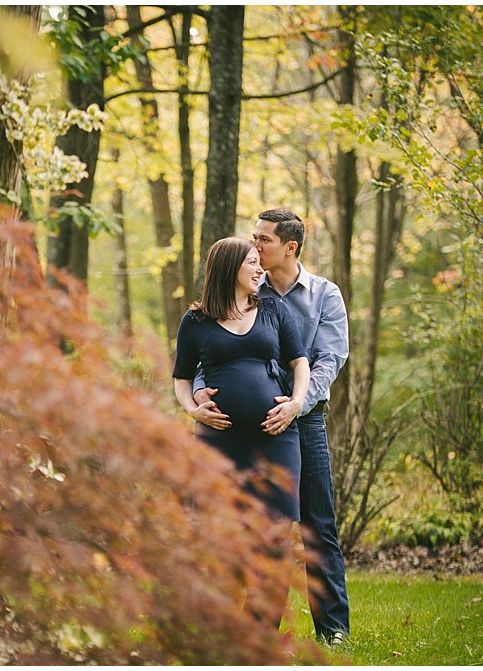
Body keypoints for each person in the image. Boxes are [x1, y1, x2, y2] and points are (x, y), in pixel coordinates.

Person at [194, 209, 351, 644]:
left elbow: (329, 359)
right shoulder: (243, 290)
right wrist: (200, 395)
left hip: (304, 422)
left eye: (263, 240)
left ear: (290, 248)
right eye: (254, 238)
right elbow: (213, 350)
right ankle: (251, 626)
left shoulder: (323, 295)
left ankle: (333, 629)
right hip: (242, 429)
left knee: (316, 524)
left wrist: (295, 405)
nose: (255, 246)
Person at [172, 236, 310, 524]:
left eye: (259, 264)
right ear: (230, 267)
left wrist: (296, 403)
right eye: (252, 263)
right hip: (220, 441)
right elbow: (182, 378)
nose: (260, 270)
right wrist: (193, 410)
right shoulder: (196, 320)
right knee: (222, 529)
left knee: (275, 530)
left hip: (276, 437)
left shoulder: (274, 310)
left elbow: (300, 362)